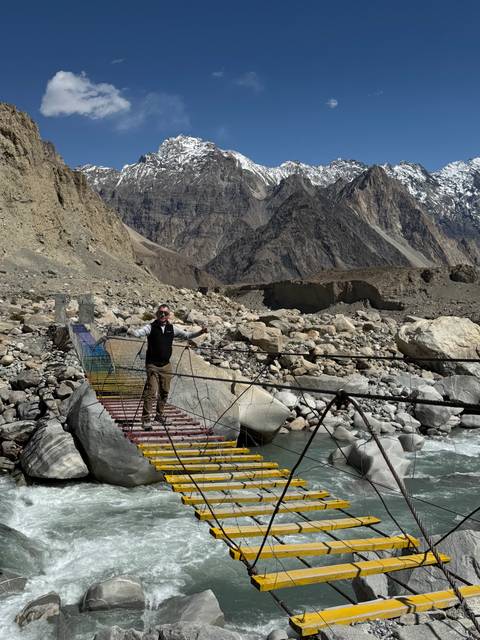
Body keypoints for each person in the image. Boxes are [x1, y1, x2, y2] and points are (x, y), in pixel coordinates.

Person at [129, 304, 208, 429]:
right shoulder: (151, 327)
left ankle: (159, 415)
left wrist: (200, 332)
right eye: (160, 312)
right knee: (151, 391)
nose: (162, 315)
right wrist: (130, 331)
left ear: (169, 315)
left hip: (166, 365)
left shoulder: (172, 328)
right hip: (152, 365)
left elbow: (187, 336)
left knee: (164, 392)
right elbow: (139, 333)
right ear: (157, 313)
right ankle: (146, 419)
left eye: (165, 313)